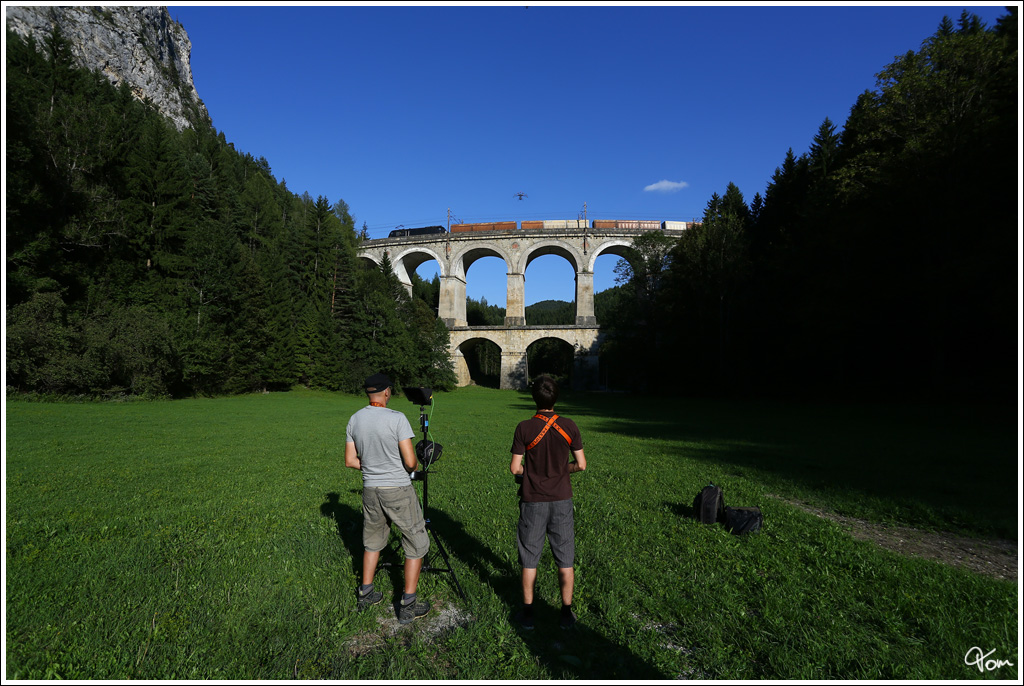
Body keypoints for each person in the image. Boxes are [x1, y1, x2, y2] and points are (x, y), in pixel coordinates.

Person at [345, 373, 431, 624]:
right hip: (397, 489)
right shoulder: (397, 419)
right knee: (415, 540)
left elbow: (350, 461)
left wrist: (373, 466)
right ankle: (408, 603)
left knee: (372, 540)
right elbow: (411, 462)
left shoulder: (355, 419)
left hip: (370, 489)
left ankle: (366, 592)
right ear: (386, 392)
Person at [509, 374, 587, 630]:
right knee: (565, 557)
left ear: (534, 398)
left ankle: (528, 614)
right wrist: (564, 470)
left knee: (529, 557)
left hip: (532, 500)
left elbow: (515, 469)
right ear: (556, 397)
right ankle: (566, 614)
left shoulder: (524, 427)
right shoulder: (570, 425)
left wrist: (531, 472)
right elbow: (582, 465)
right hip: (562, 498)